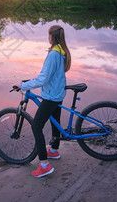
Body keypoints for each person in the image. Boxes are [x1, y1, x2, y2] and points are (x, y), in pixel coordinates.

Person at [17, 25, 71, 177]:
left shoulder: (53, 54)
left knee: (36, 126)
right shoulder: (61, 51)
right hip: (58, 94)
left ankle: (44, 164)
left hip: (51, 96)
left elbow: (43, 78)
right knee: (55, 122)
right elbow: (52, 75)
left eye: (48, 35)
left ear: (51, 37)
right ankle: (53, 150)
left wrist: (23, 85)